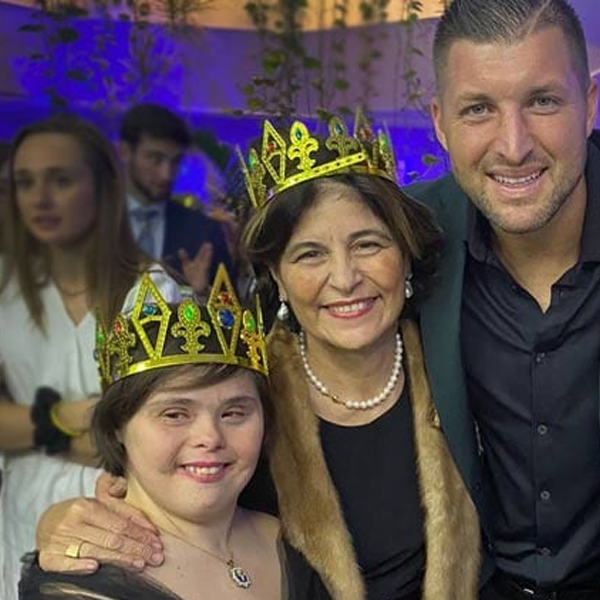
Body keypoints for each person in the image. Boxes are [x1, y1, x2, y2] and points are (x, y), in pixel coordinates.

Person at [33, 112, 482, 600]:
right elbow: (153, 485)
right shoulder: (240, 392)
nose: (346, 277)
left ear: (405, 253)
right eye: (310, 254)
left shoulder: (458, 355)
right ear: (277, 275)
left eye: (368, 244)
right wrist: (63, 523)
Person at [406, 0, 600, 597]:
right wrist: (141, 497)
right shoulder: (407, 237)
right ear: (440, 122)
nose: (512, 145)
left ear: (591, 103)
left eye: (542, 101)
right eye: (478, 109)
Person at [19, 265, 282, 600]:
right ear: (117, 427)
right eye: (174, 414)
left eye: (234, 413)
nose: (210, 437)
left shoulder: (292, 544)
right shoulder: (79, 582)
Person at [0, 114, 153, 600]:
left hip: (121, 515)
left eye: (60, 180)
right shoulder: (4, 290)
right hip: (20, 509)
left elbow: (151, 436)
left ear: (104, 186)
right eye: (25, 183)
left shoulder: (158, 294)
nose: (39, 198)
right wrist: (65, 418)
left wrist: (29, 429)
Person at [119, 103, 234, 294]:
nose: (167, 174)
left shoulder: (204, 233)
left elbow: (233, 314)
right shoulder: (91, 224)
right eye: (156, 159)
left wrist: (202, 294)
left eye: (175, 161)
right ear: (125, 152)